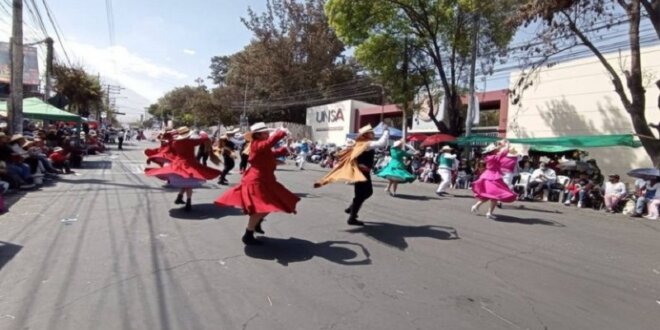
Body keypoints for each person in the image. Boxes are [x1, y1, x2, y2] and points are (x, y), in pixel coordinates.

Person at [215, 123, 299, 245]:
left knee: (272, 204)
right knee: (263, 207)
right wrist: (280, 133)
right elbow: (268, 144)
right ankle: (248, 234)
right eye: (265, 133)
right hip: (257, 181)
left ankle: (256, 224)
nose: (268, 134)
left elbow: (271, 154)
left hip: (266, 180)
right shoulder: (256, 144)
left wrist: (285, 149)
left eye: (267, 132)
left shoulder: (260, 146)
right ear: (258, 135)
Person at [314, 124, 389, 226]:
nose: (373, 134)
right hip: (361, 173)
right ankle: (352, 217)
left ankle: (352, 210)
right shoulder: (366, 144)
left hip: (362, 172)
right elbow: (382, 143)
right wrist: (386, 131)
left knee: (366, 193)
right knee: (362, 194)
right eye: (371, 132)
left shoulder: (361, 143)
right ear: (367, 134)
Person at [145, 126, 221, 211]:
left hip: (178, 165)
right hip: (190, 165)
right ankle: (188, 202)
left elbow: (168, 146)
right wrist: (205, 135)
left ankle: (180, 197)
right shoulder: (190, 142)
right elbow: (203, 139)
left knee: (186, 183)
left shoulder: (175, 143)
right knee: (188, 184)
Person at [470, 141, 517, 219]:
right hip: (492, 177)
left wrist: (500, 146)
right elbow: (504, 152)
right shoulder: (493, 157)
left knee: (490, 196)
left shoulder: (490, 156)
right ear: (493, 151)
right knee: (494, 196)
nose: (497, 150)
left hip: (489, 176)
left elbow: (500, 152)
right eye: (495, 149)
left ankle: (477, 207)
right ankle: (488, 212)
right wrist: (507, 144)